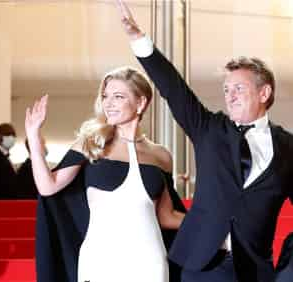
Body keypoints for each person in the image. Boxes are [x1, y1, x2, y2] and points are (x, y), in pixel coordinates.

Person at [115, 1, 293, 282]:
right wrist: (139, 41)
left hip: (255, 271)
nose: (230, 95)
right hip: (202, 266)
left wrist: (287, 270)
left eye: (239, 88)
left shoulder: (288, 148)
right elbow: (174, 89)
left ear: (264, 93)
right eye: (226, 89)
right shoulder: (209, 129)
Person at [26, 67, 186, 282]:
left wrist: (217, 226)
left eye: (118, 97)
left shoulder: (161, 156)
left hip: (149, 260)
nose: (108, 103)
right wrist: (34, 137)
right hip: (99, 258)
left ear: (141, 103)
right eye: (105, 96)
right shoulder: (91, 143)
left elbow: (166, 216)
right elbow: (48, 186)